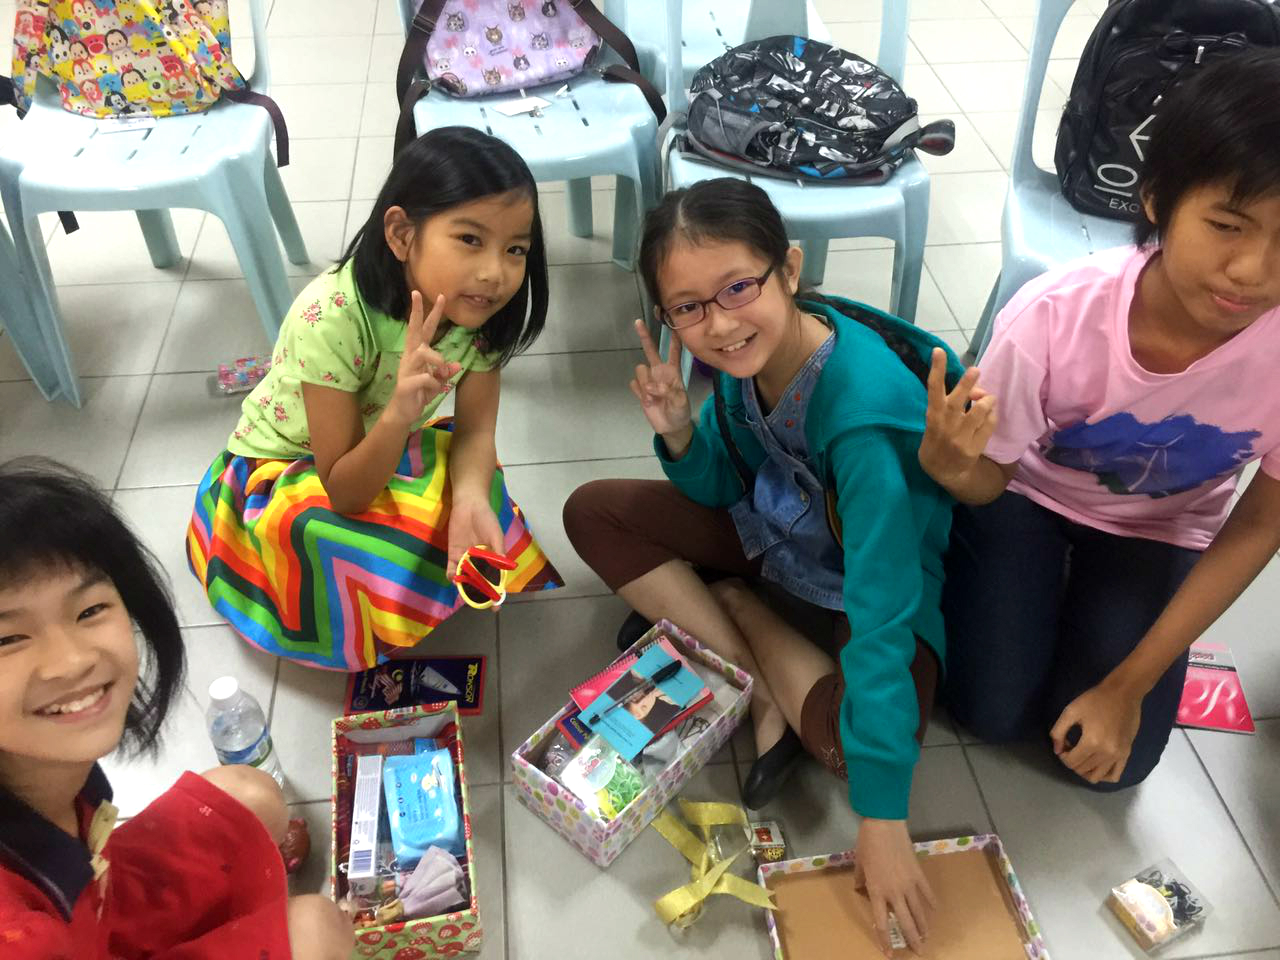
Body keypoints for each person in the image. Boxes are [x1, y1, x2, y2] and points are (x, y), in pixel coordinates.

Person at [562, 178, 962, 954]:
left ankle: (736, 613)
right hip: (774, 542)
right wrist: (681, 433)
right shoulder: (746, 365)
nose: (719, 323)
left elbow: (883, 606)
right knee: (592, 512)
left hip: (862, 582)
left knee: (858, 755)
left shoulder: (862, 416)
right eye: (688, 307)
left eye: (738, 287)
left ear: (791, 269)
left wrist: (883, 820)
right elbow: (727, 485)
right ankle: (757, 679)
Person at [922, 50, 1280, 790]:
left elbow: (1258, 526)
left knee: (1116, 766)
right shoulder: (1054, 316)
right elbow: (994, 477)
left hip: (1160, 529)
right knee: (989, 710)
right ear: (1156, 199)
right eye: (1226, 224)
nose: (1253, 269)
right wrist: (953, 468)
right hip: (1030, 496)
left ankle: (1083, 617)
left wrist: (1129, 684)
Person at [187, 127, 562, 671]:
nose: (495, 273)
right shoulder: (331, 317)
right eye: (470, 239)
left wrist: (471, 499)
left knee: (475, 487)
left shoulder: (478, 318)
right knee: (341, 542)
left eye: (516, 249)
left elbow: (477, 432)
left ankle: (420, 572)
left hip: (384, 441)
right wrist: (401, 414)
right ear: (402, 234)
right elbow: (344, 492)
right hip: (284, 468)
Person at [0, 459, 351, 959]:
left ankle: (243, 910)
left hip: (99, 905)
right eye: (8, 638)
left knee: (251, 791)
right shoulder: (19, 937)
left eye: (89, 610)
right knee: (316, 928)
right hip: (68, 939)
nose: (73, 661)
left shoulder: (38, 760)